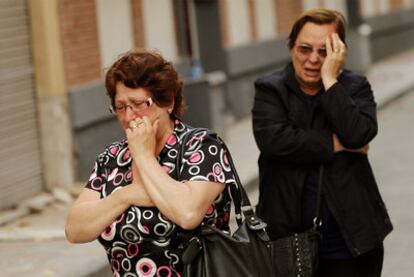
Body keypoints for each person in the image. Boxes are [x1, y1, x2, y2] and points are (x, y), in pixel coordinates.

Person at [66, 49, 236, 276]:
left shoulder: (202, 147)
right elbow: (75, 230)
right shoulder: (112, 158)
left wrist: (144, 156)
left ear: (167, 101)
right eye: (121, 106)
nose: (128, 117)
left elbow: (187, 214)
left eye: (138, 104)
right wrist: (126, 195)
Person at [252, 9, 393, 276]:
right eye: (305, 49)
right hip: (288, 242)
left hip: (353, 242)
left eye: (325, 51)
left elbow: (358, 135)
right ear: (291, 47)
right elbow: (274, 141)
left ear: (340, 52)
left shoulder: (354, 87)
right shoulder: (270, 90)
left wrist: (330, 80)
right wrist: (334, 144)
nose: (314, 59)